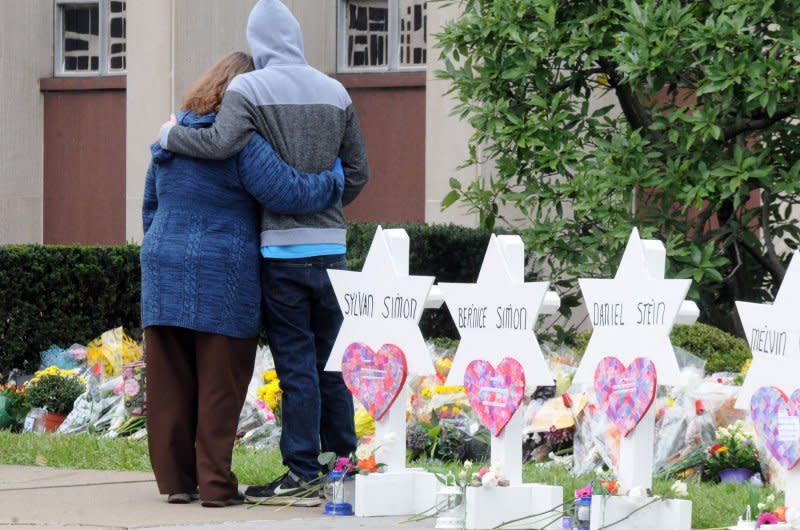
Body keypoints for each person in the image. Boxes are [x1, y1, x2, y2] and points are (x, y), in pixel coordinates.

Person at [158, 0, 370, 506]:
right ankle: (344, 464)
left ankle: (301, 470)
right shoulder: (336, 91)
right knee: (332, 363)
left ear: (258, 43)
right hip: (332, 251)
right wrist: (331, 192)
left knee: (296, 363)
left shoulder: (250, 88)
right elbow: (358, 174)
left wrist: (170, 134)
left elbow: (220, 146)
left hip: (282, 254)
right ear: (296, 37)